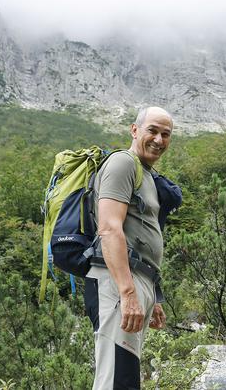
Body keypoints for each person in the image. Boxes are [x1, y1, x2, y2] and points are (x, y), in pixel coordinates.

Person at [84, 106, 173, 389]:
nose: (159, 139)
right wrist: (128, 292)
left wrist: (152, 296)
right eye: (152, 130)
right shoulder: (123, 163)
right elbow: (109, 228)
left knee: (125, 377)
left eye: (166, 134)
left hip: (136, 282)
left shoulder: (145, 173)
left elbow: (139, 235)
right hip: (117, 283)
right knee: (116, 380)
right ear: (134, 130)